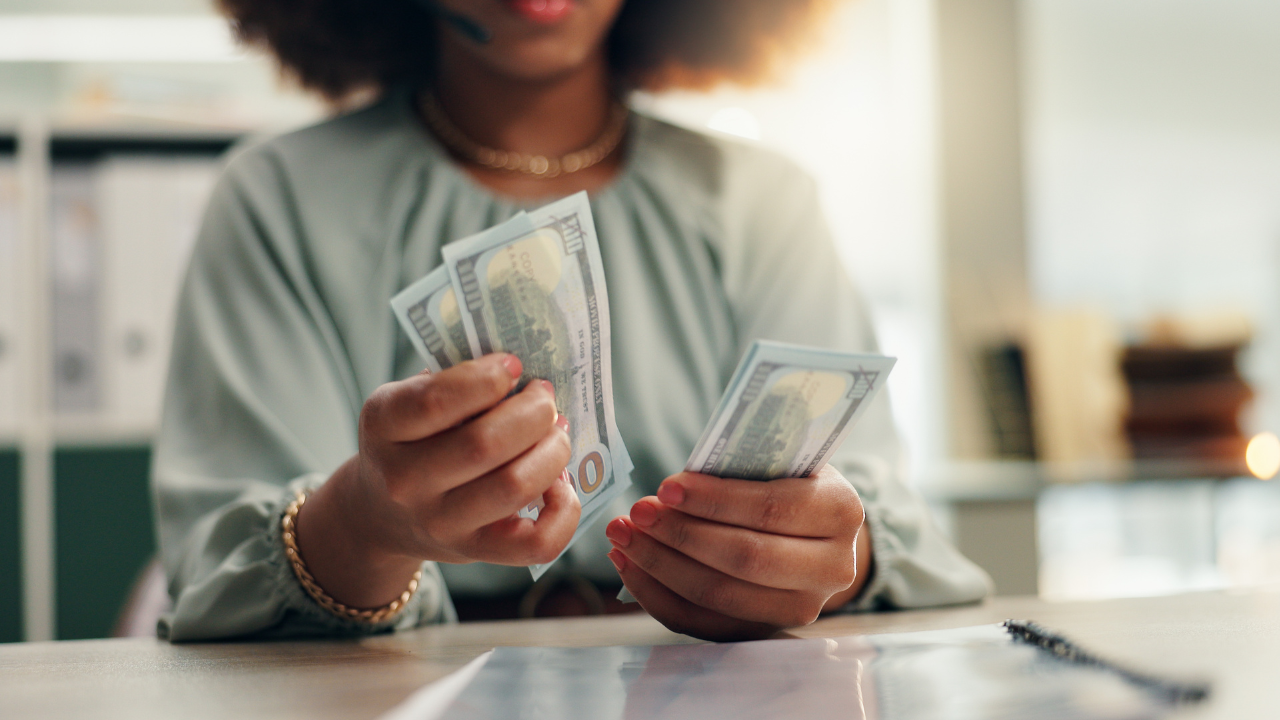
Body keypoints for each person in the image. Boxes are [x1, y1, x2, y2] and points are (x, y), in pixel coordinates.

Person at [153, 0, 990, 643]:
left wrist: (827, 562)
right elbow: (218, 571)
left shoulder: (764, 203)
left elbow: (881, 513)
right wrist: (362, 528)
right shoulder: (275, 201)